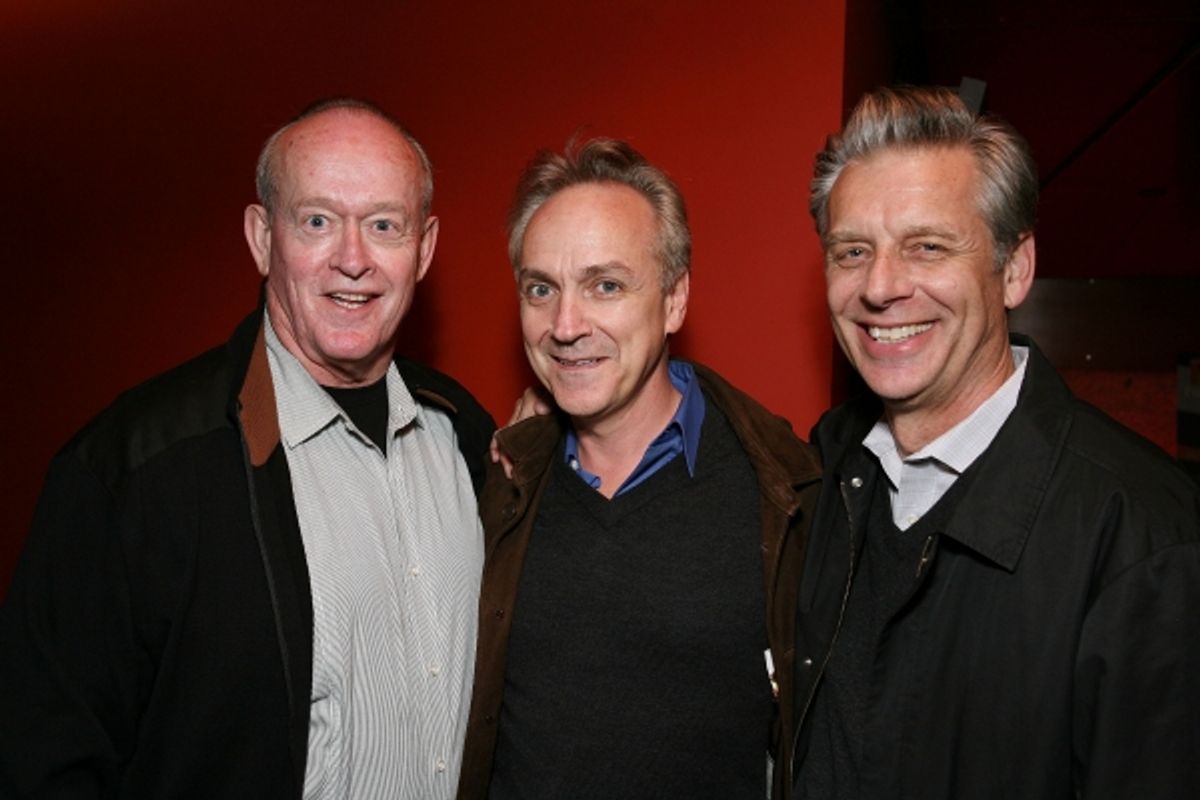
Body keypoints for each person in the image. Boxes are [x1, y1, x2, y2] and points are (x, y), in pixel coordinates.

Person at [0, 98, 495, 798]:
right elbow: (44, 756)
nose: (353, 259)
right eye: (317, 221)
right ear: (263, 238)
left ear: (425, 248)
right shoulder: (135, 470)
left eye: (385, 224)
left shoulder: (464, 438)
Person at [792, 85, 1200, 798]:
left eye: (927, 246)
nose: (879, 287)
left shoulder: (1143, 533)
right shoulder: (820, 471)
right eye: (851, 251)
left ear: (1014, 269)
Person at [455, 138, 821, 800]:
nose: (566, 324)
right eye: (541, 289)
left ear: (674, 300)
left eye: (606, 285)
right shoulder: (499, 483)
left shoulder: (783, 490)